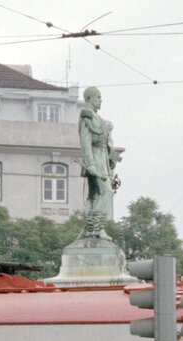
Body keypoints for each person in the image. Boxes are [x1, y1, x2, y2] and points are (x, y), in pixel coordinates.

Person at [78, 86, 121, 239]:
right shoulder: (86, 116)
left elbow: (104, 143)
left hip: (101, 159)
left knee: (94, 195)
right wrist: (91, 165)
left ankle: (91, 228)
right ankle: (96, 227)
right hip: (95, 161)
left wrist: (110, 159)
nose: (100, 101)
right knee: (107, 192)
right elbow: (85, 142)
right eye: (98, 97)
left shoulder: (97, 118)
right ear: (89, 98)